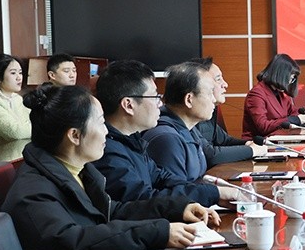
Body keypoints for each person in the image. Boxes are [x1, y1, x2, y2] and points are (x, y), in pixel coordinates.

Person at [2, 84, 217, 250]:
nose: (107, 131)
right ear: (75, 135)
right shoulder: (34, 191)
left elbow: (111, 211)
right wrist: (156, 232)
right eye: (100, 122)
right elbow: (74, 241)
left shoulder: (79, 170)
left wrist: (177, 208)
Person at [94, 60, 244, 205]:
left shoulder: (131, 140)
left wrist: (212, 193)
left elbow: (162, 178)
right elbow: (143, 199)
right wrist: (211, 194)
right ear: (129, 105)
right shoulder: (108, 151)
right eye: (155, 97)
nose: (160, 103)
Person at [141, 61, 217, 183]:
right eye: (210, 93)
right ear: (189, 99)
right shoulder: (167, 138)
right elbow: (177, 191)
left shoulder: (189, 128)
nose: (214, 99)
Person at [191, 57, 266, 164]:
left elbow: (225, 140)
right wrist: (251, 150)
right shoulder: (190, 117)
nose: (225, 84)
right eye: (218, 79)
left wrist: (249, 144)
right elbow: (209, 154)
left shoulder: (209, 111)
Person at [242, 53, 305, 140]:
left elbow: (293, 112)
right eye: (290, 78)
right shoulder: (256, 94)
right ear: (280, 75)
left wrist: (302, 117)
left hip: (279, 139)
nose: (290, 82)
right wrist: (293, 120)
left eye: (293, 79)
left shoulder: (279, 92)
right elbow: (263, 126)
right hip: (259, 143)